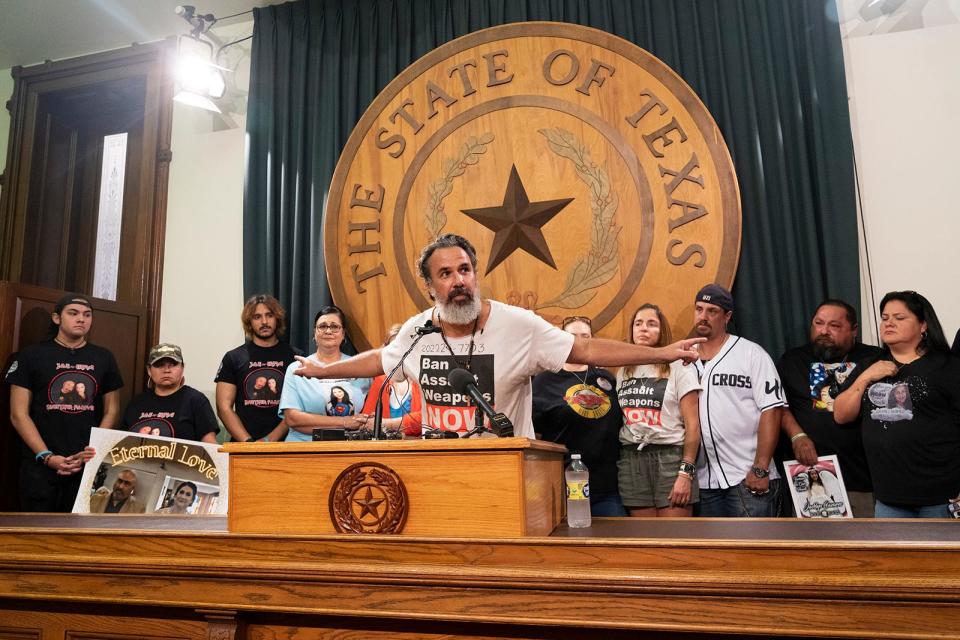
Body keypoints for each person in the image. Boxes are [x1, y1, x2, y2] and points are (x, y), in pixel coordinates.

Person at [292, 234, 703, 438]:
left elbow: (587, 347)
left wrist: (665, 351)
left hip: (504, 467)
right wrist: (320, 370)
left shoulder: (517, 324)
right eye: (446, 273)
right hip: (440, 474)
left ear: (476, 273)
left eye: (465, 270)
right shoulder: (418, 330)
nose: (459, 281)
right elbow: (380, 360)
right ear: (429, 287)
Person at [834, 291, 960, 518]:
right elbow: (841, 414)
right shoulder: (868, 365)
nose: (889, 323)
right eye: (885, 318)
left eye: (899, 318)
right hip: (889, 498)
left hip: (941, 497)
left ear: (923, 325)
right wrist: (866, 377)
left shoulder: (948, 367)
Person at [6, 293, 124, 512]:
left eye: (87, 315)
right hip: (39, 465)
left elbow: (112, 410)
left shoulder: (103, 357)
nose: (82, 319)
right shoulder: (31, 355)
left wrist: (91, 449)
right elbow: (18, 414)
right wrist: (46, 456)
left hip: (86, 463)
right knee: (38, 535)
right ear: (57, 318)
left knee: (79, 537)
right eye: (74, 313)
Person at [776, 299, 882, 517]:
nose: (824, 331)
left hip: (863, 480)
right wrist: (797, 435)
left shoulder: (874, 359)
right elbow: (778, 407)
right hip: (809, 476)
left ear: (854, 330)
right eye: (818, 323)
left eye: (834, 326)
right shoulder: (792, 360)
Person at [692, 284, 785, 517]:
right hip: (703, 482)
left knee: (754, 553)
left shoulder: (752, 354)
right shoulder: (683, 356)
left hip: (747, 478)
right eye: (699, 309)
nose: (703, 316)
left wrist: (761, 468)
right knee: (712, 554)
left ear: (727, 316)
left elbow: (772, 410)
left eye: (712, 311)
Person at [533, 316, 625, 516]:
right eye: (573, 337)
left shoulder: (606, 378)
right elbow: (536, 437)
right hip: (563, 487)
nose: (580, 342)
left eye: (586, 337)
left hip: (606, 487)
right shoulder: (543, 381)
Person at [617, 304, 701, 517]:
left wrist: (686, 472)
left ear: (662, 331)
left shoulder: (680, 366)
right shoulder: (622, 370)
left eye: (651, 324)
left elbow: (693, 425)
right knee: (644, 543)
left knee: (675, 541)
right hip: (632, 458)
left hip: (671, 457)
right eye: (638, 323)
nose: (643, 328)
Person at [215, 294, 302, 442]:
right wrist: (248, 443)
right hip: (244, 445)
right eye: (257, 317)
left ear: (277, 319)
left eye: (269, 315)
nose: (264, 322)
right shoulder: (233, 357)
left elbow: (298, 407)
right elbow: (224, 407)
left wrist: (269, 441)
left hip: (286, 444)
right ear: (249, 322)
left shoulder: (295, 357)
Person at [279, 305, 372, 441]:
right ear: (314, 333)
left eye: (334, 327)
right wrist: (345, 423)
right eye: (322, 326)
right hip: (304, 447)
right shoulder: (297, 369)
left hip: (350, 448)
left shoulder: (360, 367)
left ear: (343, 334)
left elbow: (370, 416)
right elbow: (292, 419)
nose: (328, 331)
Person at [120, 344, 219, 443]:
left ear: (182, 368)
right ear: (149, 370)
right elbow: (122, 444)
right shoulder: (136, 403)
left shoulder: (196, 401)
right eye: (159, 365)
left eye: (173, 364)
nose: (166, 370)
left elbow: (211, 447)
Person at [360, 324, 424, 437]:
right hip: (385, 449)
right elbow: (367, 420)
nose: (398, 353)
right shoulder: (381, 381)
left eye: (403, 346)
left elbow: (426, 418)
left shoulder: (423, 379)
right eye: (393, 347)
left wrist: (386, 424)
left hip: (419, 448)